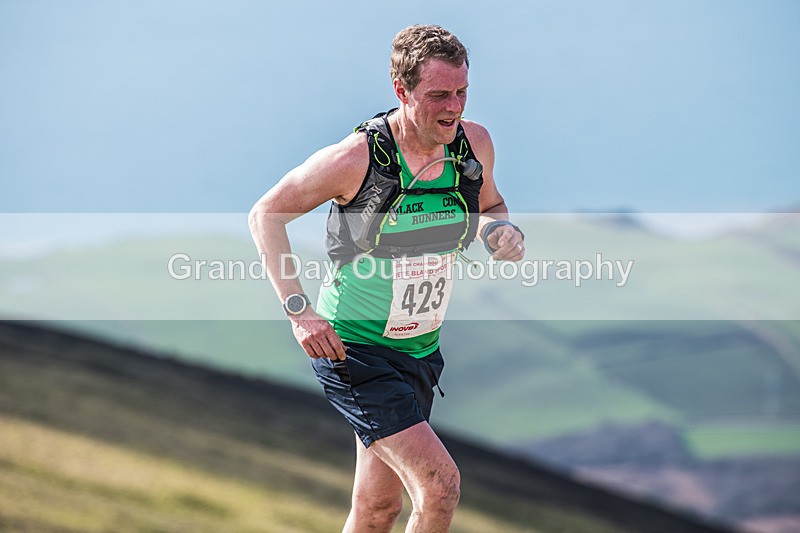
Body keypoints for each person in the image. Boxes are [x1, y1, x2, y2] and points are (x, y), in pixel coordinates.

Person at [248, 24, 525, 533]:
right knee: (439, 488)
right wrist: (299, 312)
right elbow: (266, 214)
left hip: (419, 351)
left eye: (462, 92)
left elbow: (490, 205)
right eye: (438, 94)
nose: (453, 107)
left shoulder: (473, 145)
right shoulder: (356, 159)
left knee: (377, 509)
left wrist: (500, 231)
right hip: (352, 348)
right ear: (402, 91)